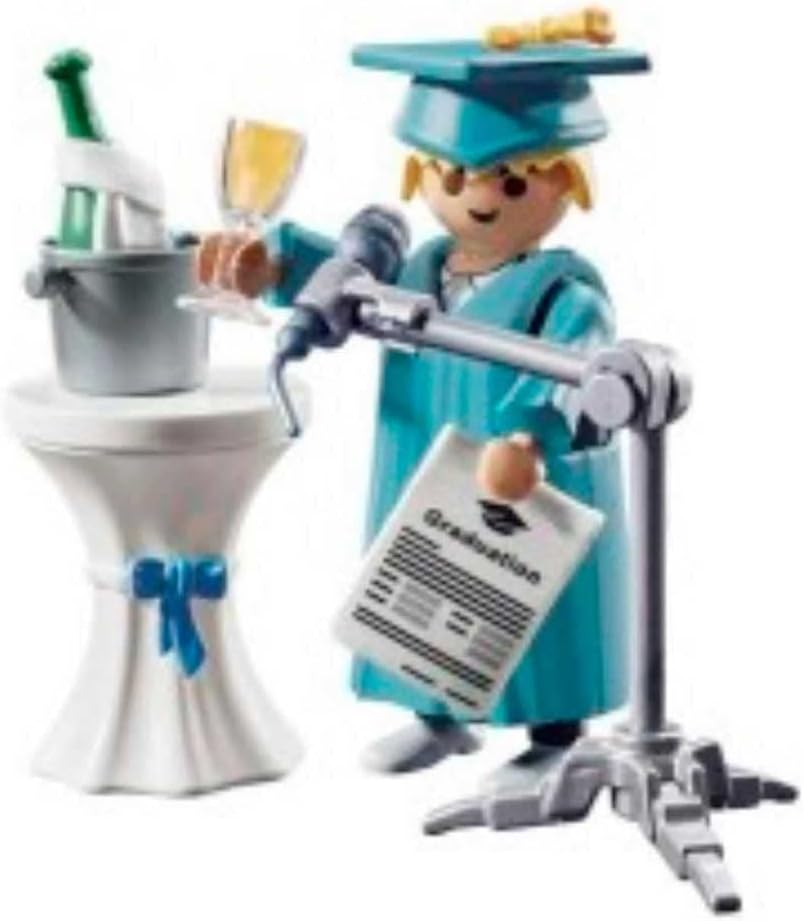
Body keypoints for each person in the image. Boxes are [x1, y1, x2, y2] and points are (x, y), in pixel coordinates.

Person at [199, 22, 649, 788]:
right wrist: (269, 266)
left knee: (535, 609)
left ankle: (555, 735)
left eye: (511, 182)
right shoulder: (422, 268)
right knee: (424, 586)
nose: (477, 197)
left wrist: (532, 437)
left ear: (565, 185)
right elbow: (344, 279)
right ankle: (438, 716)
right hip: (422, 458)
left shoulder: (562, 290)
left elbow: (582, 366)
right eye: (451, 175)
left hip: (520, 476)